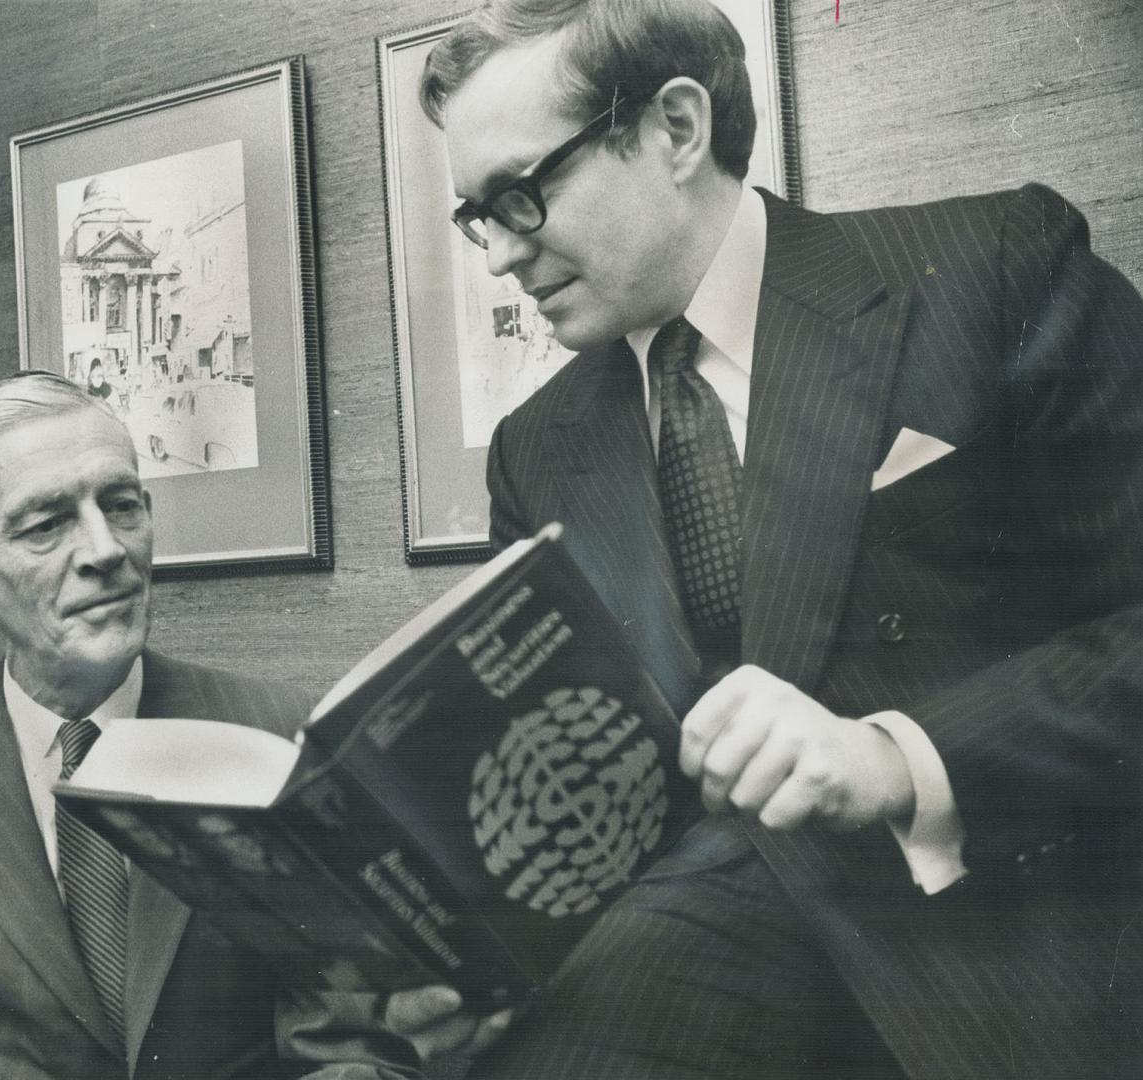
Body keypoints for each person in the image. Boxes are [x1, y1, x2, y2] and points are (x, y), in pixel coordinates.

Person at [419, 1, 1143, 1077]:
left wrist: (897, 758)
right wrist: (477, 955)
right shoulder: (535, 448)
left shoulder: (993, 270)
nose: (499, 256)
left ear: (674, 129)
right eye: (479, 216)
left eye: (524, 195)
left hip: (1011, 958)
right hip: (688, 984)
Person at [0, 371, 497, 1079]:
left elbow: (366, 1042)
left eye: (123, 505)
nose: (106, 552)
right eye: (46, 526)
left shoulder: (284, 736)